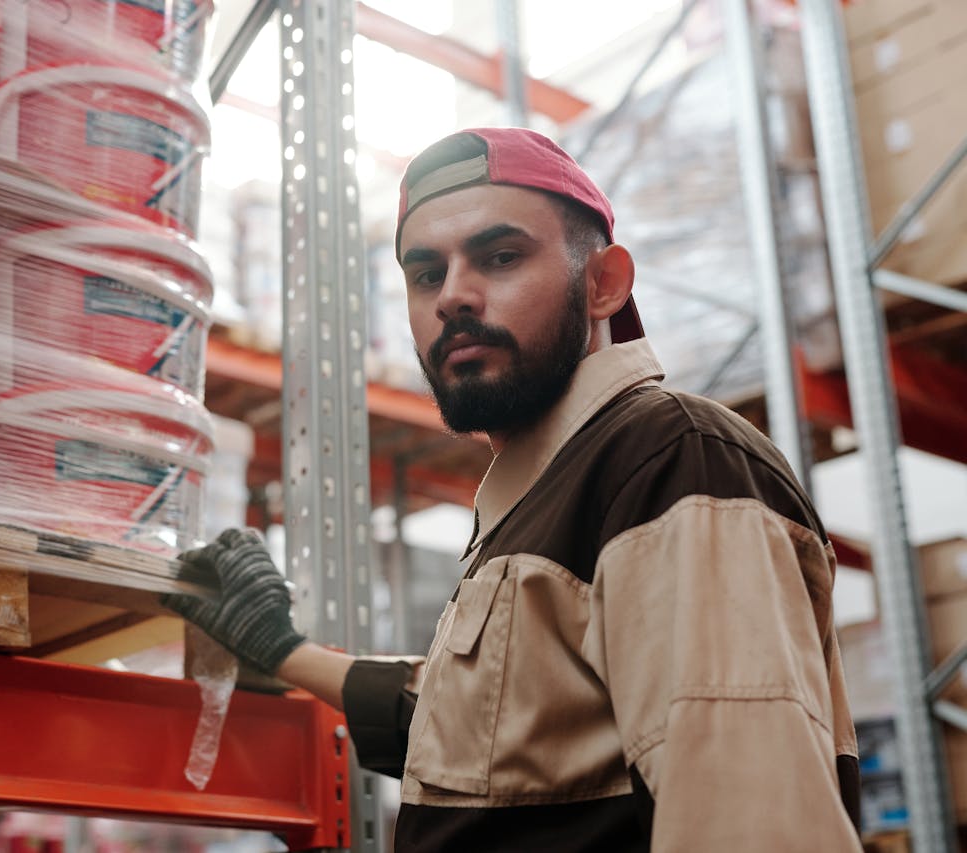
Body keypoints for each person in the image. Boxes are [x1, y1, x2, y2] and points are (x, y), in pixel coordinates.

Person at [165, 127, 862, 852]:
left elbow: (749, 822)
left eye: (499, 257)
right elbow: (485, 736)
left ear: (604, 284)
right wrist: (281, 649)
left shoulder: (669, 459)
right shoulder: (540, 495)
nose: (454, 298)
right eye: (426, 274)